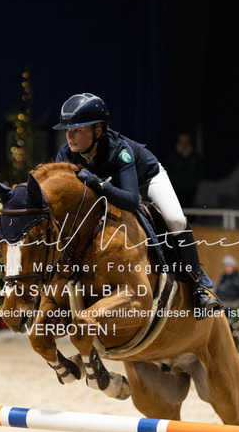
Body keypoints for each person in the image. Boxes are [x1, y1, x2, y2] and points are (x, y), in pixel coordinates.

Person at [53, 92, 220, 317]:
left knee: (176, 220)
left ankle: (198, 287)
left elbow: (132, 201)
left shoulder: (120, 150)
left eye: (77, 130)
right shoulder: (65, 153)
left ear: (98, 132)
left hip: (146, 181)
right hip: (111, 186)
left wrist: (99, 184)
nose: (69, 136)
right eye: (67, 130)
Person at [165, 133, 204, 208]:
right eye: (182, 142)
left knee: (190, 207)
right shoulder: (173, 157)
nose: (184, 144)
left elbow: (200, 170)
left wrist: (194, 181)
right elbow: (168, 171)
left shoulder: (195, 156)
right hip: (176, 189)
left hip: (191, 189)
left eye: (186, 142)